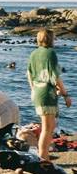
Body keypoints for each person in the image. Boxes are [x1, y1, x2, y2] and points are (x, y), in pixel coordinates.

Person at [28, 29, 71, 160]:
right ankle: (43, 158)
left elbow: (29, 74)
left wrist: (33, 89)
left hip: (38, 91)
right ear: (50, 39)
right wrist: (65, 95)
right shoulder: (51, 53)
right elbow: (55, 76)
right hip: (46, 93)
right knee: (47, 128)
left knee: (49, 126)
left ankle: (44, 156)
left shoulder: (34, 53)